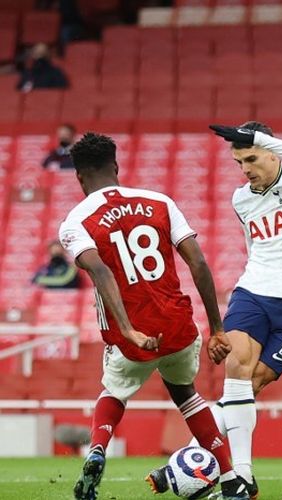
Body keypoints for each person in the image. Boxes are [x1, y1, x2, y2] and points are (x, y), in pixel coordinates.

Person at [59, 133, 249, 500]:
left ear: (79, 177)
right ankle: (230, 477)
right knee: (186, 394)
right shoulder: (159, 201)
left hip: (132, 338)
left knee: (114, 391)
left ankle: (97, 449)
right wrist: (218, 328)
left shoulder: (75, 222)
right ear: (115, 167)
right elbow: (198, 262)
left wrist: (128, 330)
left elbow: (100, 272)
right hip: (179, 327)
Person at [147, 122, 282, 498]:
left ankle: (190, 458)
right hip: (253, 292)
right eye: (239, 161)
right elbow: (253, 245)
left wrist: (262, 140)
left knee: (253, 383)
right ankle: (240, 475)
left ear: (272, 151)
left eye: (252, 158)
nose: (245, 168)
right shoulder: (241, 198)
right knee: (237, 371)